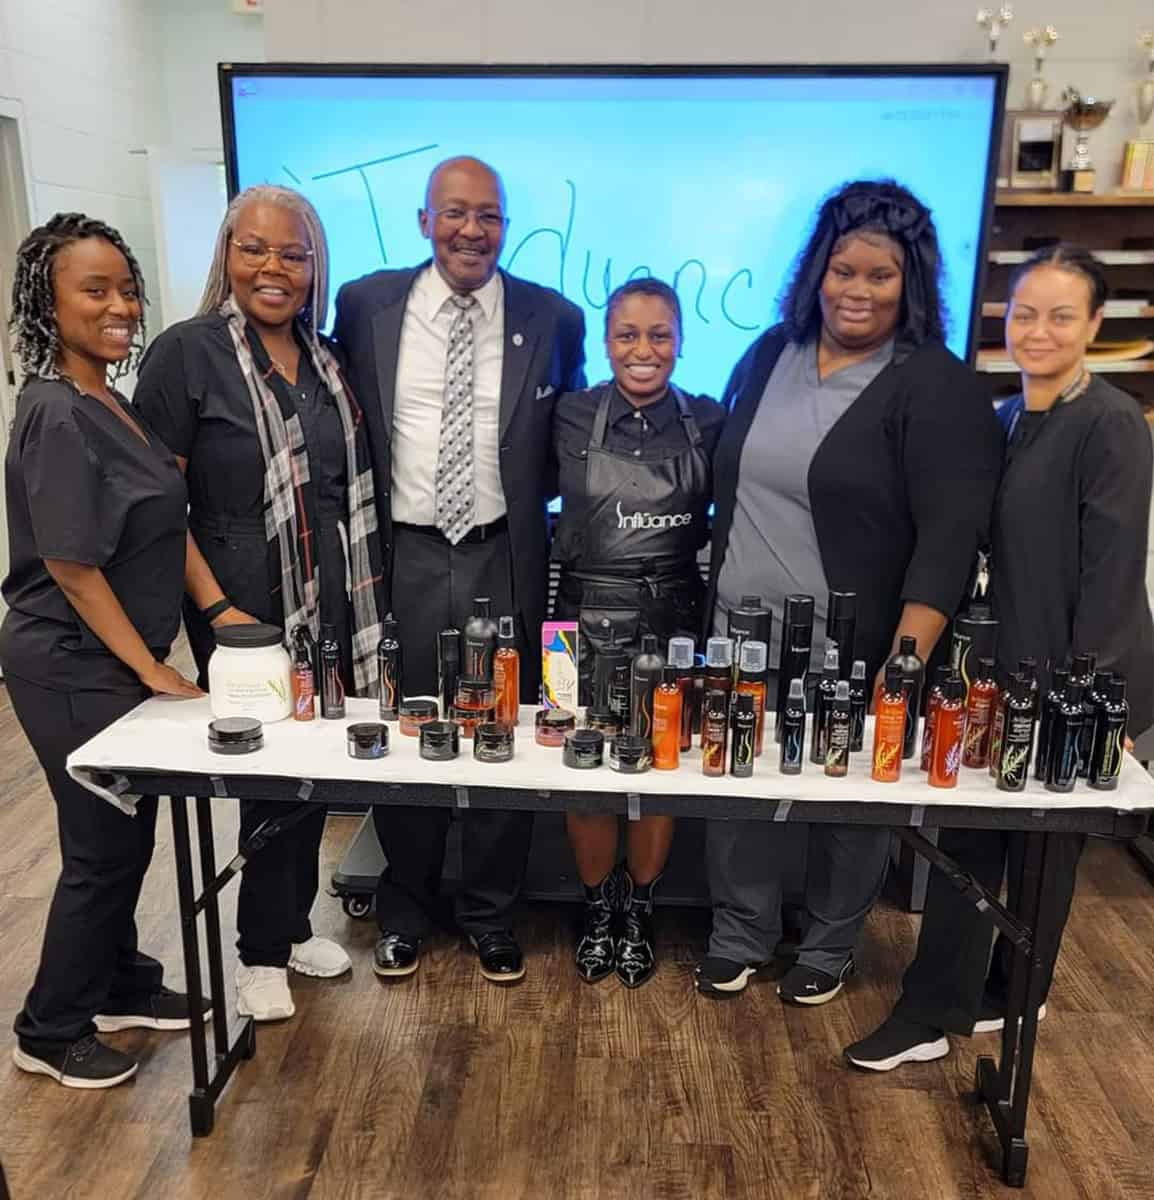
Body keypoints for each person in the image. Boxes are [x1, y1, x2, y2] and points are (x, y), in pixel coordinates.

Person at [845, 244, 1154, 1071]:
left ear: (1094, 324)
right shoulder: (1008, 418)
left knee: (1043, 851)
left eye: (1061, 315)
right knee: (974, 841)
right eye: (1025, 313)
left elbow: (1114, 576)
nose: (1039, 330)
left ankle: (998, 996)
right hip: (1001, 671)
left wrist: (1097, 706)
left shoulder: (1111, 425)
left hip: (1075, 678)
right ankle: (954, 1001)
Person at [697, 179, 1004, 1002]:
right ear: (815, 273)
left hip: (855, 642)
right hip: (739, 629)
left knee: (845, 797)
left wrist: (904, 663)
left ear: (911, 286)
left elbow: (947, 541)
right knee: (736, 782)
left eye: (880, 275)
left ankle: (829, 949)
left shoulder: (933, 384)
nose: (857, 290)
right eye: (842, 270)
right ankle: (741, 933)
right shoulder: (768, 353)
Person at [134, 185, 385, 1021]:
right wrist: (215, 613)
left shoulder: (331, 357)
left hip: (335, 605)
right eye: (255, 249)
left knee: (312, 770)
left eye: (293, 253)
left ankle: (287, 923)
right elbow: (161, 506)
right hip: (242, 612)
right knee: (266, 775)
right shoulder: (185, 354)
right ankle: (256, 953)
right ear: (227, 255)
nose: (273, 267)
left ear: (316, 268)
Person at [334, 156, 586, 984]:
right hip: (402, 553)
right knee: (411, 729)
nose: (472, 231)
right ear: (423, 220)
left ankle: (489, 912)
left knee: (500, 732)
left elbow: (565, 442)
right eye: (455, 213)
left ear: (506, 226)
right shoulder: (367, 303)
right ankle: (405, 909)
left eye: (489, 216)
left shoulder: (552, 316)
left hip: (503, 551)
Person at [2, 213, 204, 1088]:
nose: (120, 304)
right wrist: (153, 669)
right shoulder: (53, 410)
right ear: (49, 306)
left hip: (109, 662)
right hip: (69, 661)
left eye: (126, 287)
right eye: (96, 290)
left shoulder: (109, 399)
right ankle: (48, 1027)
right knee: (99, 847)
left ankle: (121, 981)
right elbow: (72, 566)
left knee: (129, 829)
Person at [552, 278, 723, 987]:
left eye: (659, 335)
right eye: (627, 334)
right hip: (577, 617)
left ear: (680, 342)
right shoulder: (570, 414)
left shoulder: (710, 420)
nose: (643, 349)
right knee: (584, 779)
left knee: (658, 774)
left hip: (676, 618)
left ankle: (641, 909)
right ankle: (599, 909)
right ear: (605, 341)